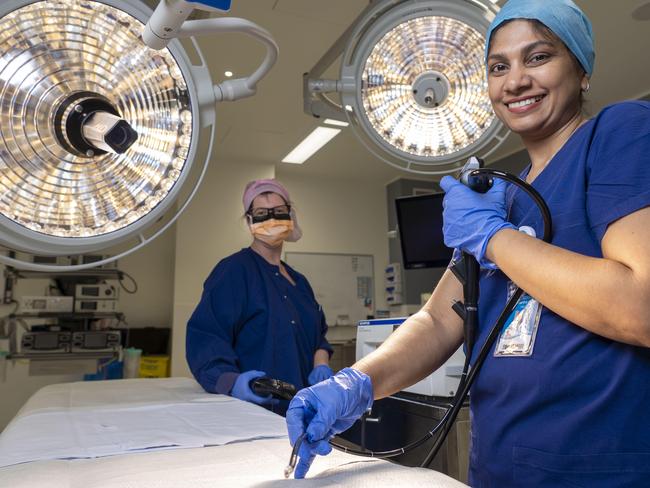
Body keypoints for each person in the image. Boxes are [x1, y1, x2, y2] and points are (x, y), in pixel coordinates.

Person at [285, 0, 650, 485]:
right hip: (499, 465)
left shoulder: (618, 133)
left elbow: (639, 305)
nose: (515, 80)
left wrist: (493, 236)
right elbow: (439, 319)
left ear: (581, 72)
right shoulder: (504, 196)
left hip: (592, 467)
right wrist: (355, 383)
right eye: (499, 67)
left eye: (538, 58)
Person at [186, 179, 334, 415]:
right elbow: (207, 337)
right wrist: (232, 383)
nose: (271, 219)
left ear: (290, 215)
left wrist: (321, 363)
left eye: (279, 212)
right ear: (249, 220)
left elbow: (318, 336)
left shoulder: (300, 281)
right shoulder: (234, 271)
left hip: (305, 406)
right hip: (255, 410)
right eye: (261, 213)